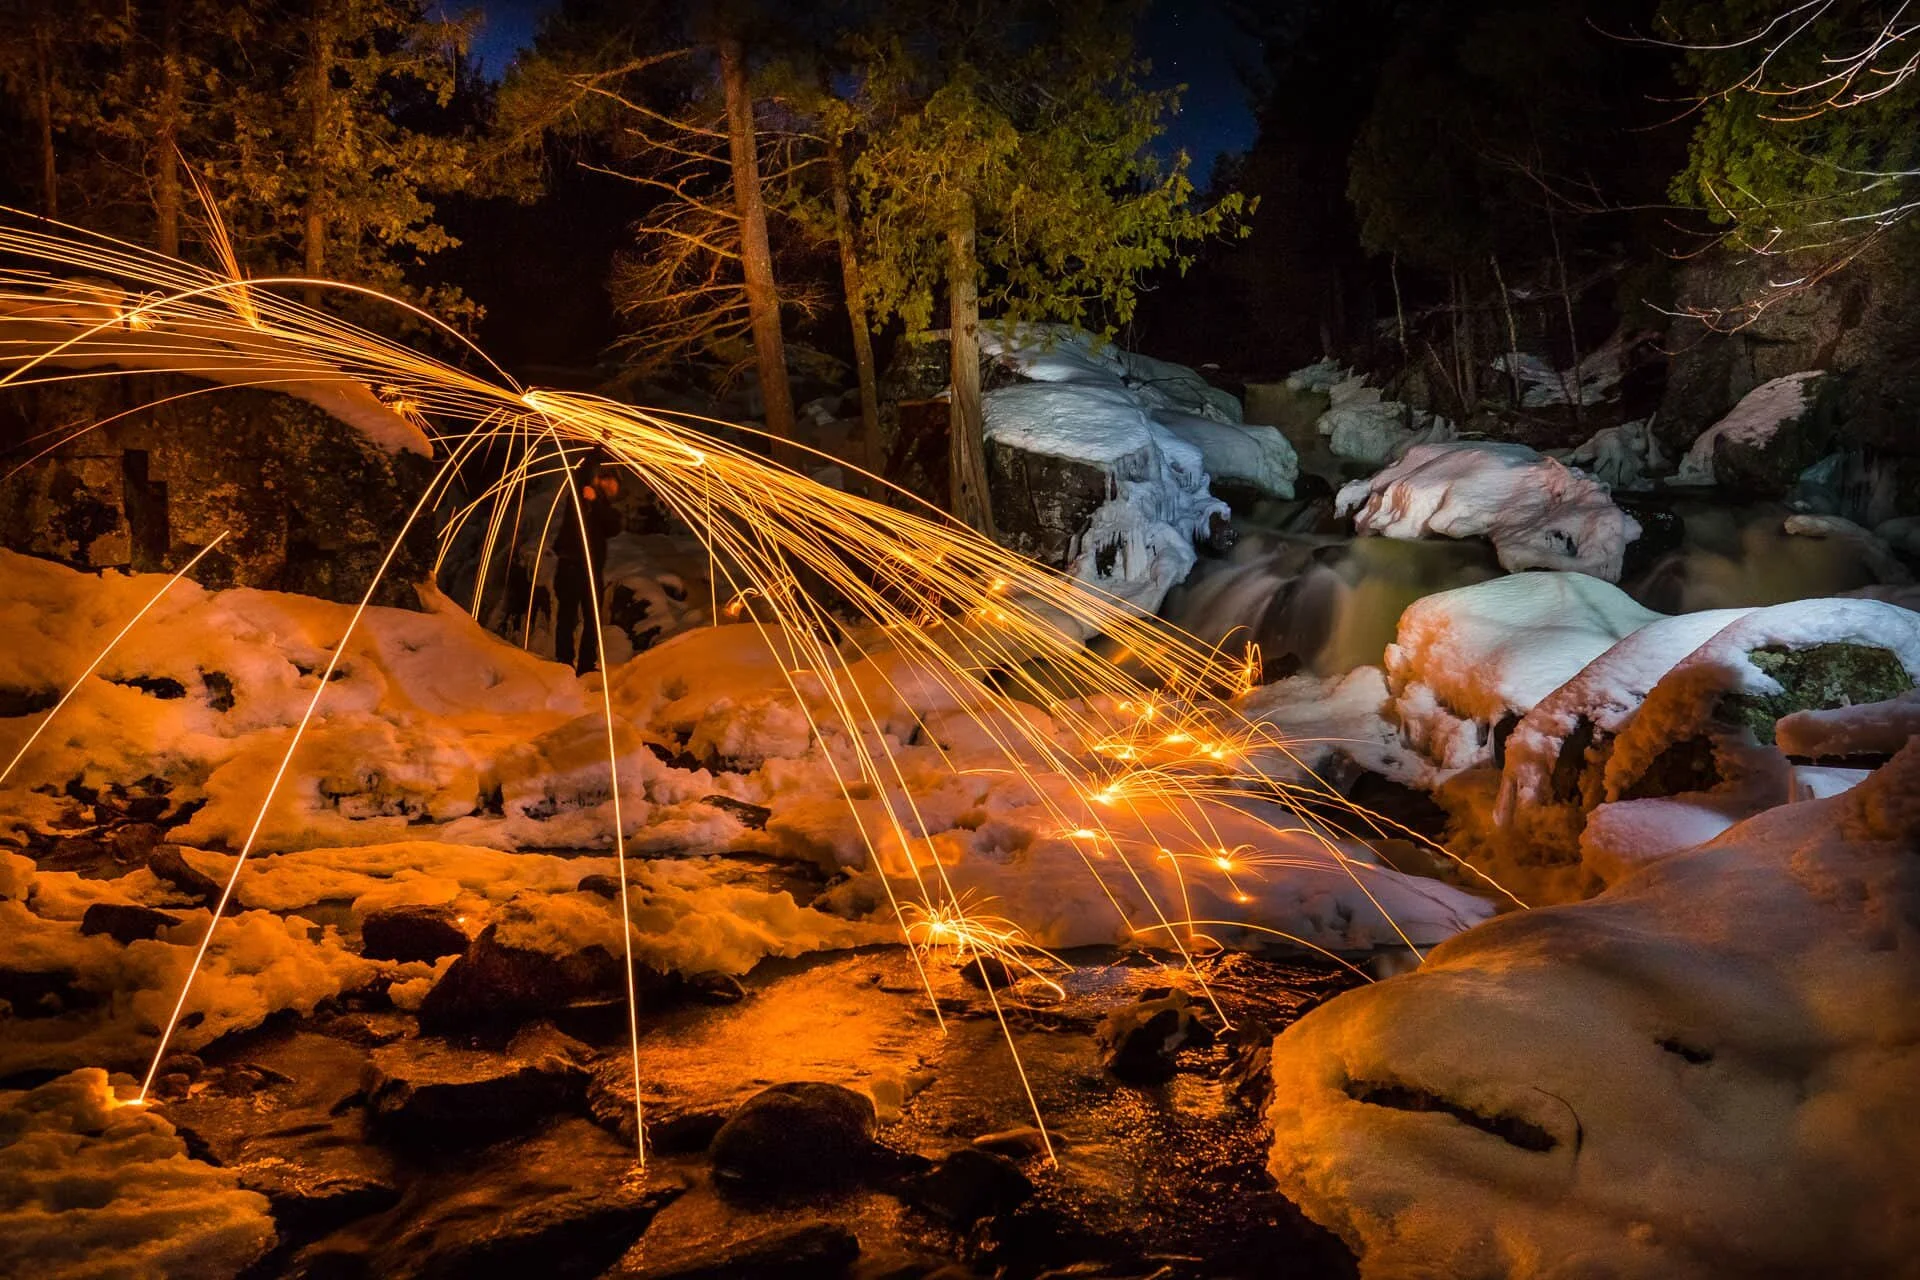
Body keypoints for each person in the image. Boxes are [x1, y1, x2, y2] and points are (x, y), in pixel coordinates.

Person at [552, 454, 623, 674]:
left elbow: (613, 527)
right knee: (567, 615)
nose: (614, 487)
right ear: (600, 478)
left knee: (593, 619)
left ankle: (586, 664)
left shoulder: (604, 508)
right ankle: (564, 661)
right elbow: (581, 473)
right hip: (570, 566)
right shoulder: (579, 496)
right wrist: (596, 450)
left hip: (592, 570)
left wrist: (595, 500)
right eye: (610, 481)